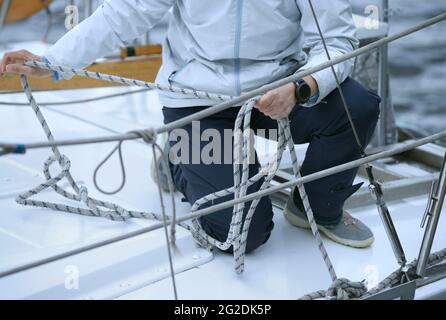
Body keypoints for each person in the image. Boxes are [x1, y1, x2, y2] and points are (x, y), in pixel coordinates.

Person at [0, 0, 380, 252]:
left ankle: (316, 206)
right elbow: (123, 14)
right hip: (199, 102)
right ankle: (177, 160)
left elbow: (337, 41)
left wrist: (300, 87)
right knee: (240, 237)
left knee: (357, 106)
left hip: (277, 96)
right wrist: (52, 62)